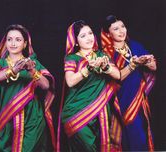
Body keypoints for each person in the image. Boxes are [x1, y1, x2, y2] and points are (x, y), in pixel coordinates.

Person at [0, 24, 56, 152]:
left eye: (18, 40)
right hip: (7, 117)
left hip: (32, 117)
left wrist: (32, 70)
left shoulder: (33, 63)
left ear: (25, 44)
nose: (13, 43)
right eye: (10, 39)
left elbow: (46, 85)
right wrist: (14, 69)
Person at [59, 20, 121, 152]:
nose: (89, 38)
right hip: (76, 113)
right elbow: (70, 81)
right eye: (83, 36)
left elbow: (118, 75)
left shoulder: (102, 55)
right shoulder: (72, 58)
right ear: (75, 41)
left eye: (90, 33)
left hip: (101, 111)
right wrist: (87, 68)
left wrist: (106, 67)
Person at [101, 15, 157, 151]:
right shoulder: (106, 53)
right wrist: (133, 64)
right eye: (116, 29)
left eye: (122, 27)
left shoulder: (135, 46)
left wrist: (148, 61)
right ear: (108, 33)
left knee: (139, 133)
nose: (121, 31)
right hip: (119, 100)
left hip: (137, 98)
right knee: (122, 137)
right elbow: (118, 77)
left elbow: (154, 67)